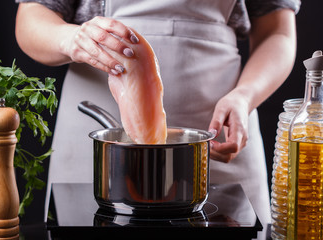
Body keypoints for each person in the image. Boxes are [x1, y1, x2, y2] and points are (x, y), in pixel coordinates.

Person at [15, 0, 300, 239]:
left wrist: (245, 96)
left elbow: (278, 32)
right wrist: (72, 39)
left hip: (218, 135)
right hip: (101, 151)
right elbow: (31, 18)